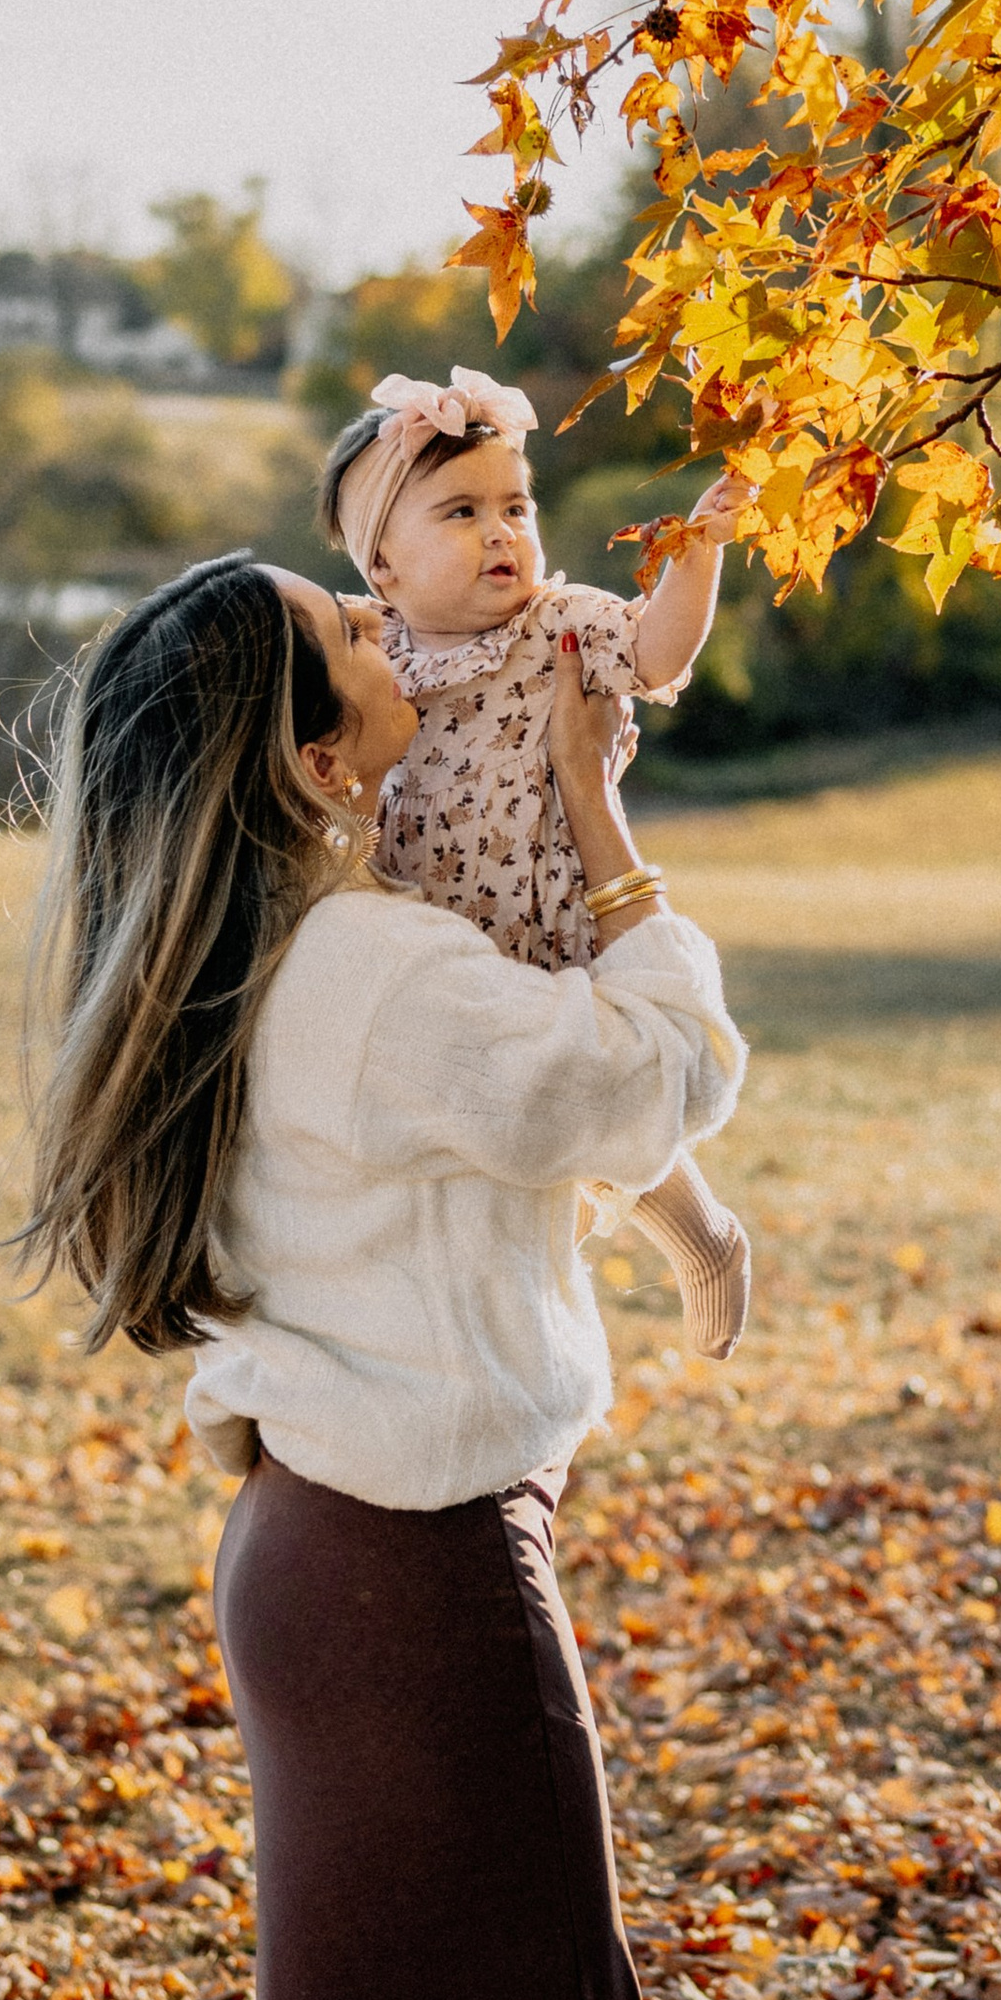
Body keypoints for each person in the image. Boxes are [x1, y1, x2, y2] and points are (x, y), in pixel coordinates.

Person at [23, 550, 744, 2000]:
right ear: (312, 751)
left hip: (336, 1554)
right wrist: (603, 816)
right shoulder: (371, 975)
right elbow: (650, 1074)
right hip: (408, 1572)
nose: (379, 617)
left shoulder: (293, 947)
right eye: (345, 634)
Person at [321, 366, 753, 1359]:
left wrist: (698, 552)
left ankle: (701, 1240)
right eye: (462, 512)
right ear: (383, 566)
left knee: (591, 1118)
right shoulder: (372, 656)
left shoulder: (562, 623)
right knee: (501, 1156)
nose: (502, 532)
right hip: (431, 944)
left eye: (516, 506)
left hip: (552, 930)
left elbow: (657, 653)